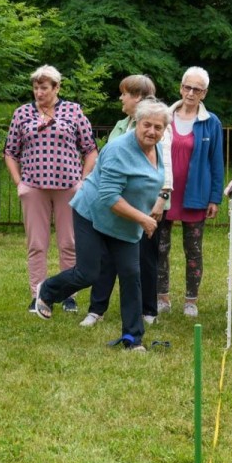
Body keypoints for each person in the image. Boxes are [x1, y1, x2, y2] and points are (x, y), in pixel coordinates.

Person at [33, 99, 169, 350]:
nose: (152, 131)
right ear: (137, 123)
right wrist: (143, 218)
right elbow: (108, 197)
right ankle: (48, 290)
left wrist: (156, 203)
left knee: (131, 276)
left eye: (158, 127)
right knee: (89, 273)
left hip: (125, 223)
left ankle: (132, 339)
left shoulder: (157, 148)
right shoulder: (119, 149)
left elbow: (156, 181)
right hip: (93, 213)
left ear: (164, 130)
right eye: (147, 125)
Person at [4, 65, 98, 314]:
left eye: (44, 88)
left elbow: (90, 149)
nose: (39, 92)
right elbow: (10, 152)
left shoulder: (73, 111)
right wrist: (19, 183)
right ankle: (37, 295)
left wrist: (83, 182)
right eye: (36, 87)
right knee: (36, 244)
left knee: (69, 243)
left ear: (57, 88)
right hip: (34, 187)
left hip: (68, 187)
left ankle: (69, 295)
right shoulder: (22, 113)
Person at [80, 75, 169, 327]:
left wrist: (160, 201)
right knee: (106, 259)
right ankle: (97, 309)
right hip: (116, 206)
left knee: (144, 260)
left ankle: (147, 310)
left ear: (138, 98)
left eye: (125, 93)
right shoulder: (122, 125)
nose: (121, 98)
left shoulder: (160, 125)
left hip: (148, 205)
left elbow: (167, 168)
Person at [157, 67, 223, 319]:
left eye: (197, 89)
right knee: (160, 248)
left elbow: (217, 162)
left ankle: (191, 300)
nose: (191, 92)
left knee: (193, 250)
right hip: (163, 193)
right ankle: (161, 297)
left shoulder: (211, 122)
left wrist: (214, 197)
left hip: (195, 194)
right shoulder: (164, 117)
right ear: (180, 88)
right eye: (187, 87)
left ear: (204, 93)